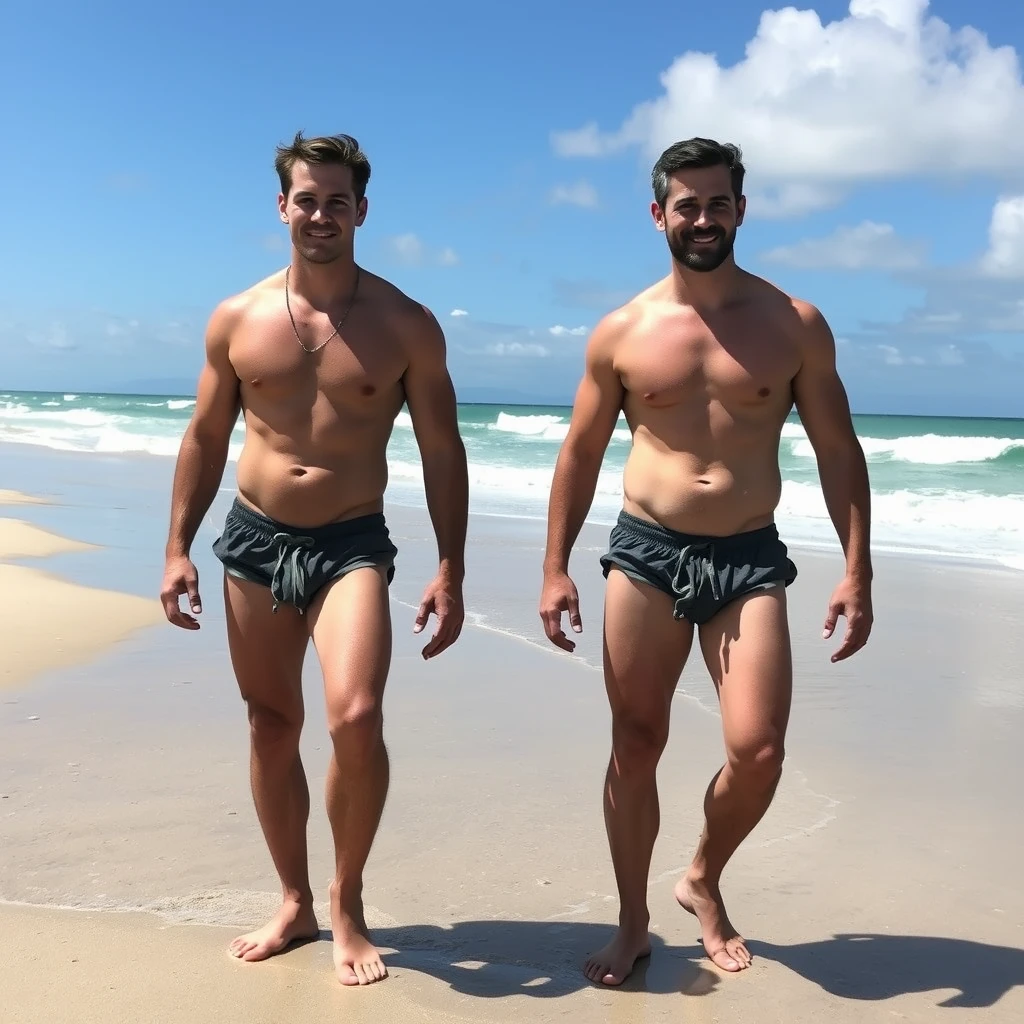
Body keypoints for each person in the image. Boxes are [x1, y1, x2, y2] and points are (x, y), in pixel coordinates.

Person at [538, 137, 872, 985]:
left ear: (741, 212)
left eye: (718, 203)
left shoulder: (793, 324)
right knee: (635, 743)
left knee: (758, 749)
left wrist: (857, 569)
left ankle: (702, 878)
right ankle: (633, 923)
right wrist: (556, 567)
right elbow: (578, 452)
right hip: (646, 552)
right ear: (659, 216)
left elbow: (838, 449)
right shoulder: (623, 330)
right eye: (687, 205)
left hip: (748, 556)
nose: (703, 218)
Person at [160, 132, 469, 987]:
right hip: (254, 538)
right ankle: (294, 899)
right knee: (271, 723)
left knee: (355, 717)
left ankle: (348, 898)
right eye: (307, 199)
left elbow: (443, 449)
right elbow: (207, 436)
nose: (321, 214)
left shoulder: (405, 324)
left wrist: (452, 565)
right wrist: (176, 547)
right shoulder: (237, 318)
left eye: (338, 201)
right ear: (282, 207)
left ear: (362, 211)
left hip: (350, 543)